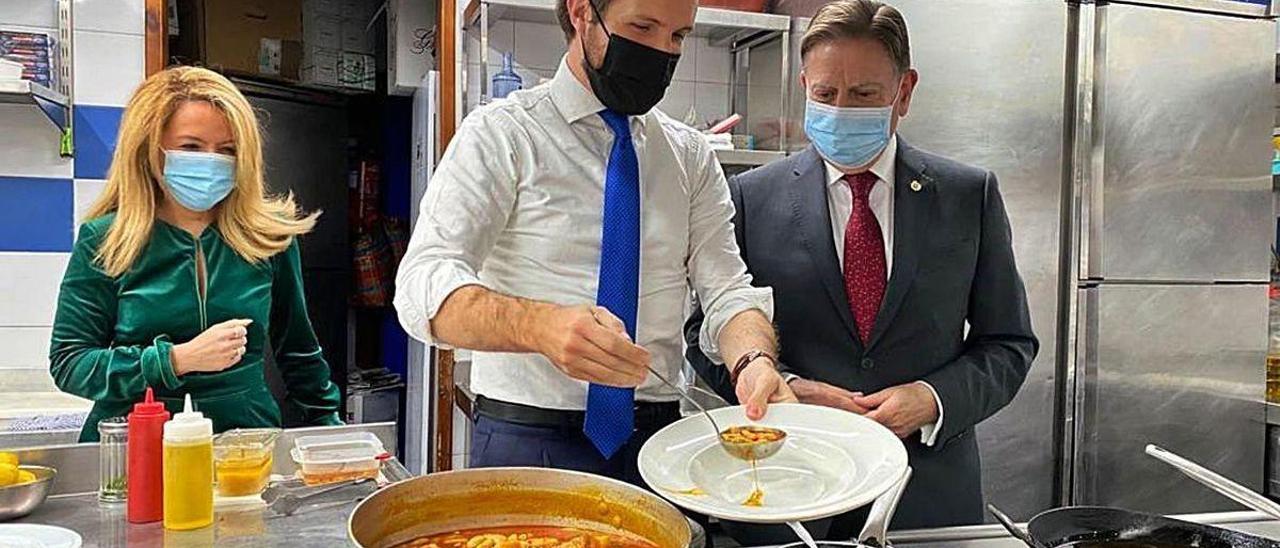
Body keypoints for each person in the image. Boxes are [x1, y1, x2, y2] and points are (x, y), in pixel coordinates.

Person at [393, 0, 794, 486]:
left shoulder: (690, 157)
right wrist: (539, 325)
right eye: (643, 27)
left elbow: (727, 290)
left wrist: (753, 362)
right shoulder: (503, 134)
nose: (661, 53)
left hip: (659, 441)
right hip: (528, 434)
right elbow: (422, 286)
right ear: (582, 12)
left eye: (677, 37)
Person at [686, 0, 1038, 538]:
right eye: (824, 95)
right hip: (785, 495)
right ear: (804, 84)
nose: (840, 110)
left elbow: (1009, 344)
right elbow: (702, 334)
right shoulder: (749, 200)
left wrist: (934, 399)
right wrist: (782, 386)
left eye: (864, 95)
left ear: (904, 90)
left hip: (927, 500)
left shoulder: (969, 196)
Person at [49, 66, 343, 442]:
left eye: (227, 150)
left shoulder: (269, 239)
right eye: (191, 147)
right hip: (134, 449)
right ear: (151, 151)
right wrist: (175, 360)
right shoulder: (106, 239)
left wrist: (333, 433)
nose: (211, 161)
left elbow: (300, 351)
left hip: (243, 445)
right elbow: (70, 363)